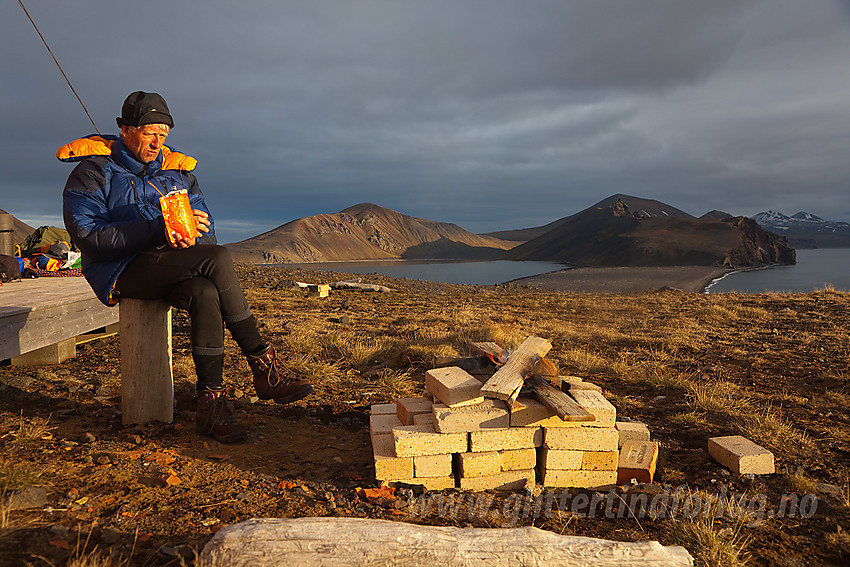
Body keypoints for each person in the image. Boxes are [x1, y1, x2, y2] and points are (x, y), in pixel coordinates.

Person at [60, 91, 312, 443]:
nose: (158, 142)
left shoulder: (178, 172)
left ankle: (212, 403)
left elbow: (205, 228)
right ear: (125, 130)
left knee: (204, 290)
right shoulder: (93, 173)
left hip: (171, 264)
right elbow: (89, 237)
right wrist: (158, 228)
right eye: (150, 133)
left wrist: (193, 234)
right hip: (121, 269)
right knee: (220, 258)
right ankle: (263, 363)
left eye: (163, 134)